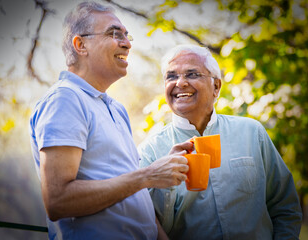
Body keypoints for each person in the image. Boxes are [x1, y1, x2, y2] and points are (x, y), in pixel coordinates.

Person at [29, 2, 192, 240]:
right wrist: (147, 176)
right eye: (115, 34)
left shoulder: (115, 109)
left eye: (127, 35)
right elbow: (58, 200)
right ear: (80, 45)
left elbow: (133, 196)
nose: (127, 43)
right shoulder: (65, 99)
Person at [138, 44, 303, 240]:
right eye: (171, 76)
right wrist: (165, 180)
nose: (180, 83)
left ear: (216, 87)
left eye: (192, 74)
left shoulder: (251, 132)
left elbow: (285, 206)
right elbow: (146, 224)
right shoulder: (150, 150)